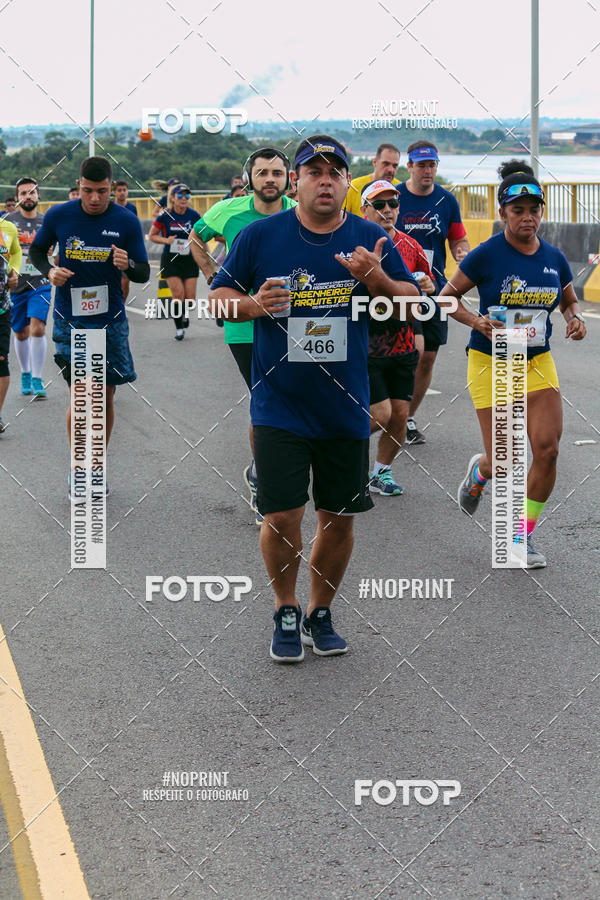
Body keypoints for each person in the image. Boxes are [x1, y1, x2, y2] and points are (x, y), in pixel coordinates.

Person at [209, 135, 419, 663]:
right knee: (282, 516)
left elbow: (414, 304)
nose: (325, 181)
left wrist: (375, 278)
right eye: (314, 172)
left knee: (338, 519)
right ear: (295, 182)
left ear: (347, 182)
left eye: (334, 173)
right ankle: (285, 606)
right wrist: (253, 306)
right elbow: (217, 300)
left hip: (345, 405)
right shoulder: (260, 236)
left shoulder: (370, 237)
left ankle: (319, 610)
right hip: (278, 405)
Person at [439, 161, 586, 569]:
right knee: (504, 459)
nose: (527, 217)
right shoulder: (487, 255)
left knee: (548, 450)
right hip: (492, 361)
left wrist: (575, 318)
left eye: (534, 210)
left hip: (537, 362)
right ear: (503, 212)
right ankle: (481, 472)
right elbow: (446, 298)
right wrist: (475, 321)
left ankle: (520, 536)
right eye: (517, 210)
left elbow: (569, 299)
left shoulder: (554, 258)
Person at [29, 156, 149, 497]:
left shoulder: (126, 220)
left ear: (112, 187)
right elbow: (37, 251)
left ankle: (96, 467)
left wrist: (129, 264)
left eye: (102, 191)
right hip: (72, 319)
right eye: (87, 190)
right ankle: (79, 469)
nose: (95, 198)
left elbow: (143, 271)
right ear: (78, 186)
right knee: (83, 396)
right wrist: (50, 271)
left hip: (110, 321)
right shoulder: (59, 215)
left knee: (105, 397)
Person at [189, 148, 296, 525]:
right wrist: (212, 276)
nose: (270, 179)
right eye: (262, 172)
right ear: (249, 177)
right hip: (244, 324)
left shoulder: (298, 211)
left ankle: (262, 470)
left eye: (277, 173)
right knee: (267, 400)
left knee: (288, 399)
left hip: (292, 323)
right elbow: (196, 238)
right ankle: (264, 481)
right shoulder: (228, 211)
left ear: (288, 179)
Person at [360, 180, 435, 496]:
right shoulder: (355, 244)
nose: (387, 210)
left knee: (400, 415)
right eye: (379, 205)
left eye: (393, 204)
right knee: (379, 414)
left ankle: (380, 472)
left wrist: (428, 286)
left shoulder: (411, 245)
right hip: (366, 344)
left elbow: (428, 283)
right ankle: (331, 448)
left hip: (402, 343)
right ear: (364, 210)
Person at [397, 140, 469, 443]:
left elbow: (458, 239)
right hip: (398, 290)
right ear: (409, 166)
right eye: (421, 165)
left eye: (432, 165)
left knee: (427, 356)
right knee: (405, 352)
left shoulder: (446, 200)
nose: (427, 170)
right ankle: (389, 409)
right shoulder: (394, 198)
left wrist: (463, 254)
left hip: (434, 290)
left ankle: (407, 418)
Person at [6, 177, 54, 399]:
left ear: (38, 195)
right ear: (17, 198)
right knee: (21, 332)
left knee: (38, 328)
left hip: (40, 282)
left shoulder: (47, 222)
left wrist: (53, 252)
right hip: (16, 284)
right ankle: (25, 373)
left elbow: (57, 252)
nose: (28, 196)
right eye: (23, 193)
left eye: (32, 192)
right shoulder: (7, 222)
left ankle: (37, 378)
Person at [149, 183, 200, 340]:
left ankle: (184, 314)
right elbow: (152, 235)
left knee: (190, 299)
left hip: (189, 259)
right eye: (180, 195)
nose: (184, 198)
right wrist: (166, 240)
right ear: (172, 197)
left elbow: (202, 233)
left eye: (187, 195)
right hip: (171, 260)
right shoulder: (165, 215)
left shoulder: (193, 215)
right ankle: (179, 329)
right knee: (178, 295)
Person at [0, 219, 22, 432]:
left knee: (1, 363)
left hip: (2, 309)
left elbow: (15, 253)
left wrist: (12, 273)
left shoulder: (7, 228)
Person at [344, 143, 401, 216]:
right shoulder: (354, 187)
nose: (390, 169)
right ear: (375, 162)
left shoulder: (400, 189)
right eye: (386, 164)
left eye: (395, 166)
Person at [113, 180, 138, 300]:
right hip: (111, 246)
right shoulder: (109, 206)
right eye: (119, 190)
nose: (122, 192)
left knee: (125, 279)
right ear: (114, 192)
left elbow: (135, 228)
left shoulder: (132, 208)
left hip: (126, 248)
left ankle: (121, 304)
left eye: (124, 190)